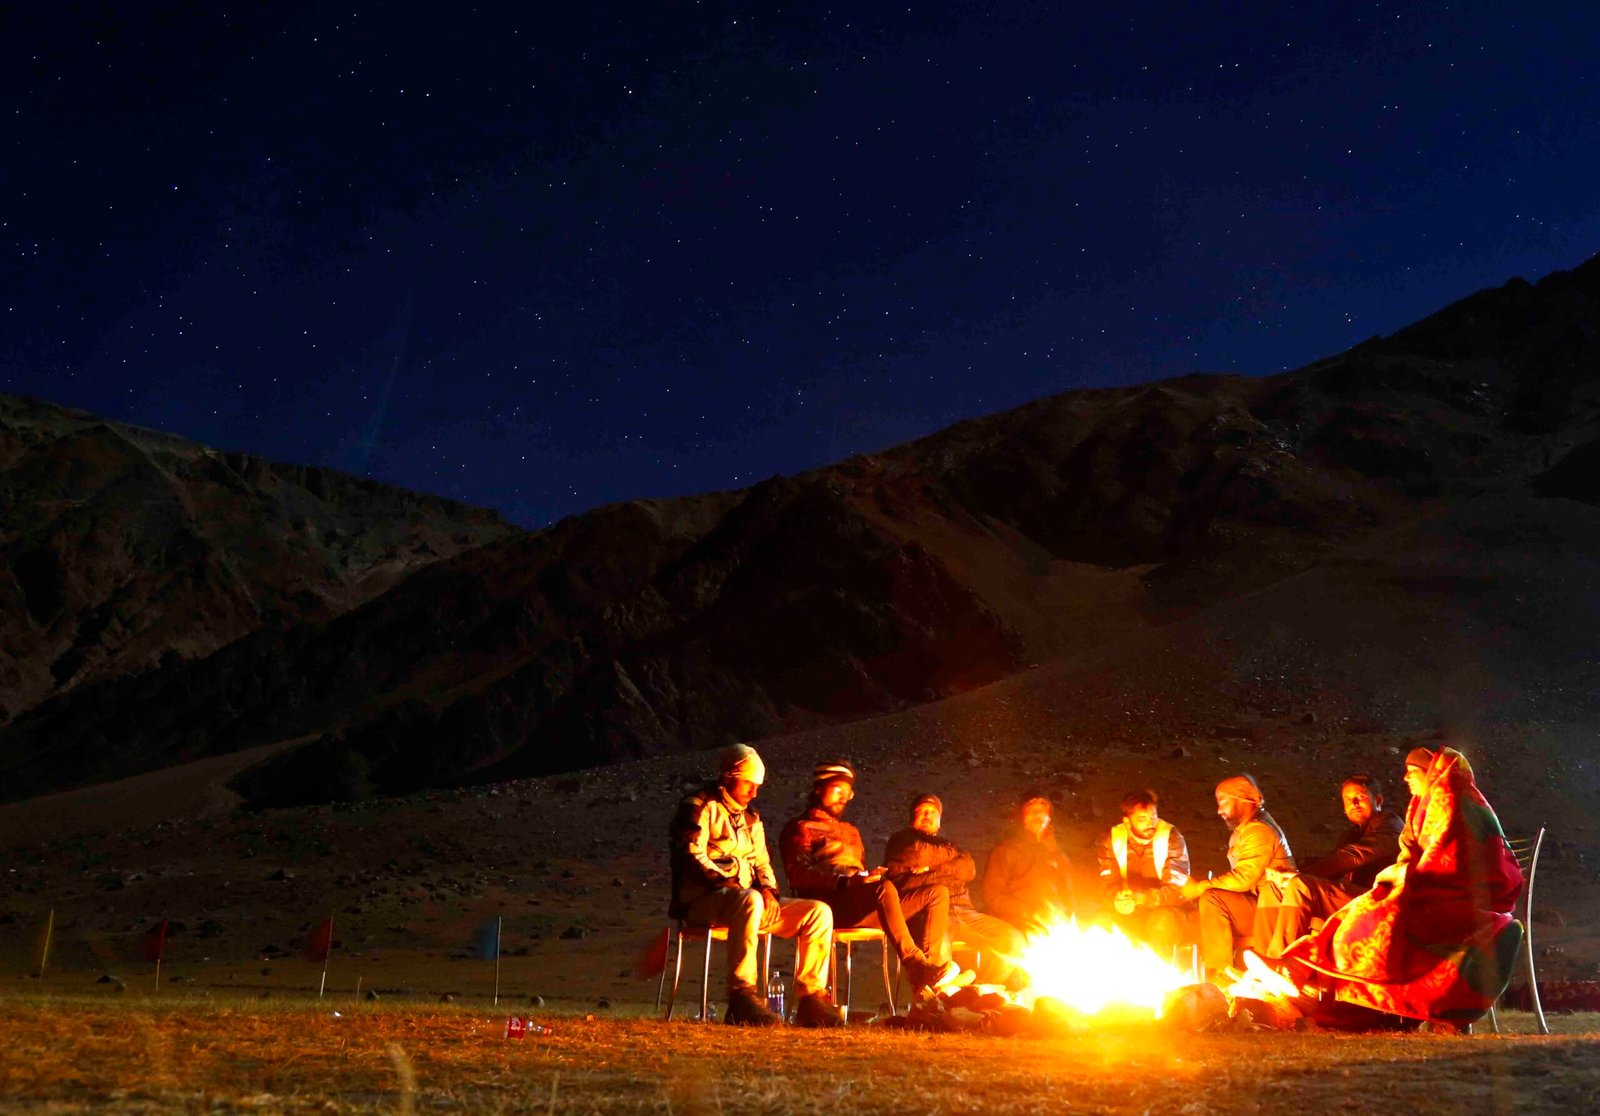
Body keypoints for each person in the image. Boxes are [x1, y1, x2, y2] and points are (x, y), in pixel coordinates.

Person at [1279, 747, 1524, 1030]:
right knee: (1365, 908)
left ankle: (1307, 974)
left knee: (1371, 915)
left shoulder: (1451, 803)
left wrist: (1401, 877)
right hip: (1430, 887)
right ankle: (1303, 973)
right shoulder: (1422, 806)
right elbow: (1411, 855)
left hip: (1458, 895)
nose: (1406, 778)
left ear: (1432, 773)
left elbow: (1447, 858)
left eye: (1412, 772)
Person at [670, 744, 843, 1026]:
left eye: (757, 786)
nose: (754, 792)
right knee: (748, 900)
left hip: (748, 902)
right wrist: (733, 886)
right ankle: (741, 996)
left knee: (818, 912)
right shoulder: (699, 806)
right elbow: (691, 854)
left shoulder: (751, 818)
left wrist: (769, 892)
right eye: (749, 784)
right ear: (729, 776)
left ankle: (811, 1000)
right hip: (704, 901)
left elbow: (762, 863)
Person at [780, 761, 970, 996]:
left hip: (857, 903)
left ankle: (928, 978)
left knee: (937, 893)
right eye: (838, 790)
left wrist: (865, 878)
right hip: (828, 906)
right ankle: (915, 964)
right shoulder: (802, 828)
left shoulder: (850, 831)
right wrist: (846, 882)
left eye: (848, 793)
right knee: (884, 887)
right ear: (819, 789)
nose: (843, 798)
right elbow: (799, 876)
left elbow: (856, 871)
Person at [884, 793, 1028, 988]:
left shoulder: (948, 843)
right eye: (922, 811)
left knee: (1013, 941)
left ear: (939, 820)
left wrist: (933, 866)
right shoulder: (901, 841)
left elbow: (969, 869)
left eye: (933, 812)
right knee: (940, 959)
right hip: (930, 913)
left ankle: (981, 991)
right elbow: (919, 853)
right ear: (912, 818)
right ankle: (938, 999)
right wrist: (952, 858)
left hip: (964, 911)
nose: (927, 815)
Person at [1253, 774, 1403, 956]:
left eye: (1360, 797)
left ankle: (1280, 959)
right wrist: (1289, 873)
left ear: (1378, 800)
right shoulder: (1350, 835)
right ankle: (1262, 957)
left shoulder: (1391, 824)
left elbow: (1356, 854)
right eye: (1348, 800)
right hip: (1352, 896)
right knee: (1272, 889)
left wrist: (1301, 876)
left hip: (1379, 898)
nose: (1354, 803)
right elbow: (1332, 862)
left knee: (1300, 885)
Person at [1177, 774, 1294, 979]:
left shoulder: (1259, 830)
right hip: (1262, 903)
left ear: (1243, 799)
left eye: (1223, 801)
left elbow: (1244, 878)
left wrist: (1200, 887)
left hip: (1275, 910)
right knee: (1196, 917)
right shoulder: (1247, 830)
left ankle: (1221, 974)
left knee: (1212, 899)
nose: (1219, 810)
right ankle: (1192, 970)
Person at [1094, 788, 1191, 955]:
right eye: (1142, 819)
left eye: (1153, 817)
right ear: (1127, 821)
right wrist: (1116, 900)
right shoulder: (1112, 839)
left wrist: (1143, 898)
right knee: (1101, 922)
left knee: (1161, 922)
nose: (1150, 823)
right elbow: (1105, 883)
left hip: (1167, 909)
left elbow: (1177, 890)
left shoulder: (1171, 837)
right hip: (1127, 909)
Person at [981, 791, 1076, 935]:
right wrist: (1027, 911)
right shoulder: (1006, 850)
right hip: (1014, 921)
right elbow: (992, 897)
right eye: (1031, 810)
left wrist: (1067, 917)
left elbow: (1069, 893)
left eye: (1042, 811)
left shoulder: (1057, 854)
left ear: (1049, 819)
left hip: (1051, 921)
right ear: (1022, 818)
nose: (1037, 814)